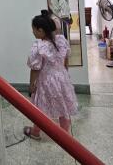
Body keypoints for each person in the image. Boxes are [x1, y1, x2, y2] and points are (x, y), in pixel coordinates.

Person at [23, 11, 77, 140]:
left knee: (41, 107)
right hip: (62, 77)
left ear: (40, 30)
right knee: (63, 106)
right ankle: (65, 136)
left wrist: (31, 86)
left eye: (34, 29)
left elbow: (35, 69)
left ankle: (35, 132)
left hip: (46, 81)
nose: (33, 32)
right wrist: (64, 74)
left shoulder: (39, 46)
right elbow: (66, 59)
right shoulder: (61, 40)